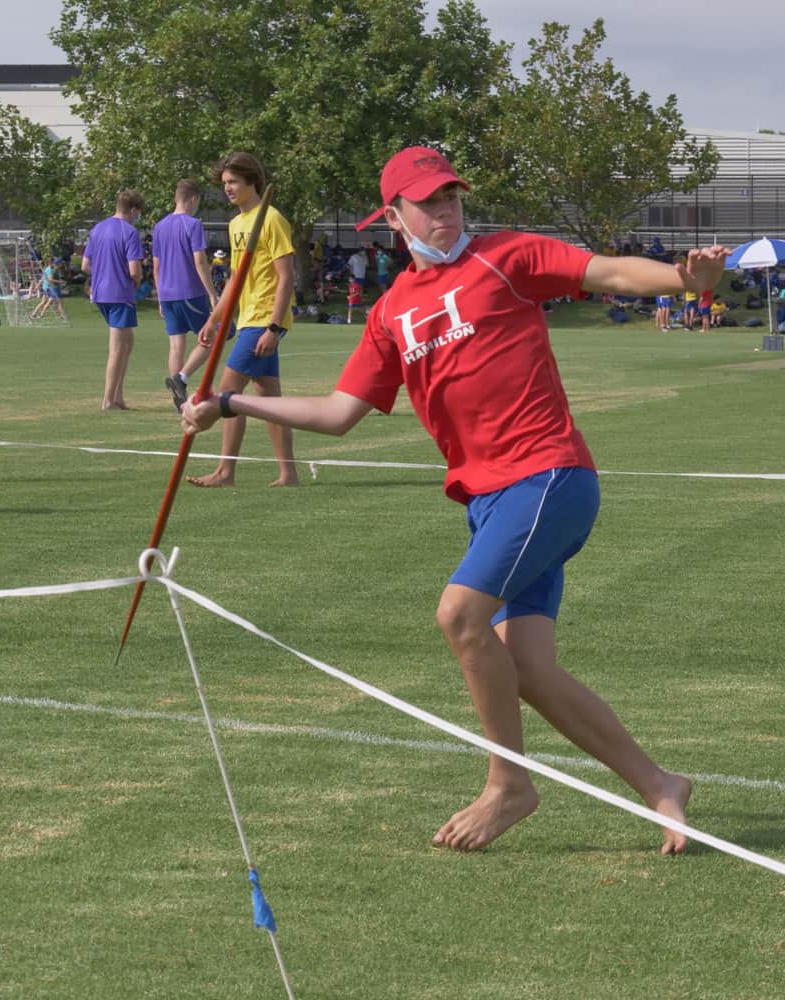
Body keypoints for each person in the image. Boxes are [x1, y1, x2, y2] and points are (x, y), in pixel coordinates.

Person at [180, 145, 721, 853]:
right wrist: (232, 403)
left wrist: (682, 279)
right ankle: (660, 784)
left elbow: (610, 271)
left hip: (549, 478)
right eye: (427, 202)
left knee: (460, 615)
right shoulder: (390, 312)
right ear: (393, 217)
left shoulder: (508, 257)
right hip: (489, 502)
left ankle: (508, 785)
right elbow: (339, 413)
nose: (444, 210)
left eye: (451, 197)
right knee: (529, 669)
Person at [187, 152, 299, 488]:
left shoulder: (272, 219)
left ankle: (225, 471)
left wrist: (274, 328)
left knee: (227, 393)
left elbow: (286, 276)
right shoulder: (236, 224)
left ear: (252, 181)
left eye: (234, 181)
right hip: (249, 318)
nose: (228, 189)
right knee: (269, 401)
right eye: (225, 183)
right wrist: (214, 319)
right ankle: (289, 474)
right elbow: (235, 279)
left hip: (265, 320)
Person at [156, 180, 220, 411]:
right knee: (214, 336)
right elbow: (200, 260)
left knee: (176, 344)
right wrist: (212, 293)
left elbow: (156, 265)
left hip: (167, 293)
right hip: (189, 292)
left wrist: (160, 297)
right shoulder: (192, 224)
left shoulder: (159, 226)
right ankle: (181, 378)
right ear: (193, 199)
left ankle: (179, 402)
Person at [82, 190, 146, 410]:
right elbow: (134, 270)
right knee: (118, 348)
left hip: (101, 293)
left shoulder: (97, 229)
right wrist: (136, 281)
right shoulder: (129, 232)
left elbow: (85, 265)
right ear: (134, 210)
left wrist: (103, 273)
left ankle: (118, 396)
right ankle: (108, 400)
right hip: (120, 293)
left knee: (127, 343)